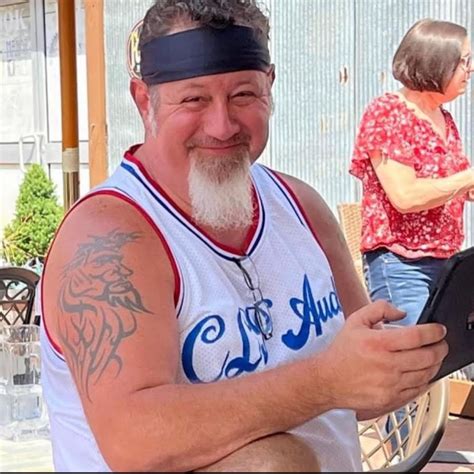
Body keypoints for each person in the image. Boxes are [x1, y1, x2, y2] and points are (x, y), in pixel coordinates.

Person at [41, 2, 448, 472]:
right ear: (143, 101)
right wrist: (323, 382)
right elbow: (134, 440)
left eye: (242, 95)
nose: (222, 126)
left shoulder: (301, 205)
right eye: (193, 100)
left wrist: (413, 354)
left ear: (269, 87)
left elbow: (360, 392)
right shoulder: (109, 236)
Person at [350, 18, 474, 327]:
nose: (470, 69)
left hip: (447, 262)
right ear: (436, 61)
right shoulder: (388, 112)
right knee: (412, 354)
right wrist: (468, 179)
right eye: (464, 61)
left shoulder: (444, 119)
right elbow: (405, 196)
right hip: (402, 265)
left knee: (445, 350)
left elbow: (455, 186)